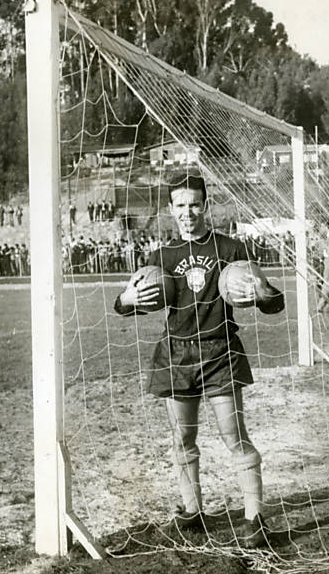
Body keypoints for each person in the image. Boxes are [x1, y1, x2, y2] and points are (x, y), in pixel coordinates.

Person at [113, 173, 284, 548]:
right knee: (183, 437)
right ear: (170, 210)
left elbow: (275, 303)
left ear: (205, 206)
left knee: (235, 436)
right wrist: (126, 301)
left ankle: (255, 519)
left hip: (220, 351)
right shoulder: (161, 257)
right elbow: (125, 303)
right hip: (177, 354)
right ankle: (193, 511)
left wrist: (261, 291)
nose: (188, 212)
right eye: (180, 205)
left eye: (194, 204)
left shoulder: (230, 248)